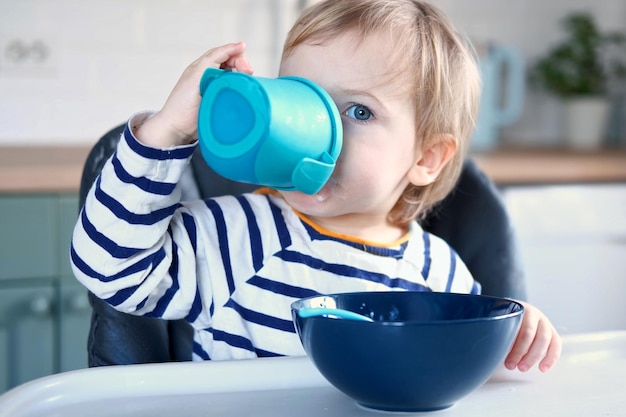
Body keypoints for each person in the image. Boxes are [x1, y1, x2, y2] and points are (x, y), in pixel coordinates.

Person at [71, 0, 561, 372]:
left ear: (426, 157)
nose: (316, 131)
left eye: (359, 111)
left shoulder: (442, 276)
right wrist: (165, 132)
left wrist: (512, 338)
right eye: (301, 100)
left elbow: (463, 377)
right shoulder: (239, 235)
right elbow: (109, 268)